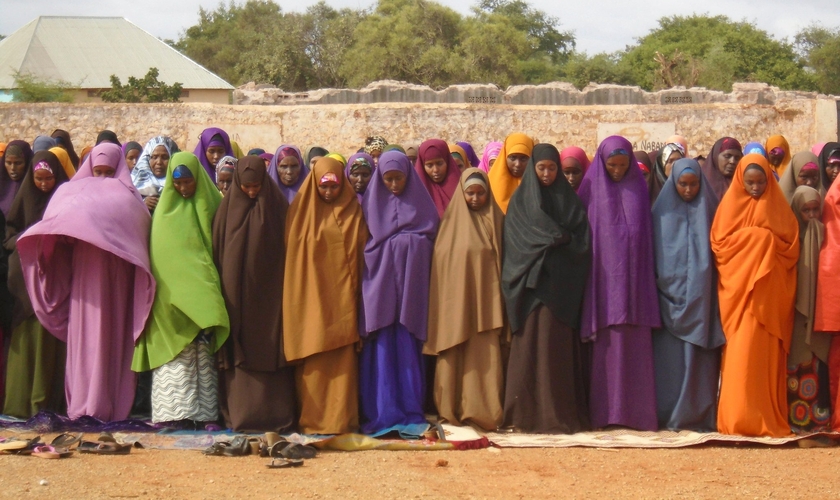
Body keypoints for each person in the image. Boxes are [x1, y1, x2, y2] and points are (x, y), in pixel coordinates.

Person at [16, 142, 155, 421]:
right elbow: (58, 229)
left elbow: (140, 233)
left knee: (113, 340)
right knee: (85, 341)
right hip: (84, 279)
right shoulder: (70, 194)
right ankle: (82, 404)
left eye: (108, 171)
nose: (102, 177)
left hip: (117, 281)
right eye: (97, 170)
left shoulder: (129, 198)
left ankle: (112, 404)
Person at [132, 152, 229, 424]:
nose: (184, 188)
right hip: (171, 303)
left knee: (203, 358)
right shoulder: (163, 215)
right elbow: (162, 259)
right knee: (177, 357)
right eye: (178, 183)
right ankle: (176, 415)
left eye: (189, 182)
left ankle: (206, 414)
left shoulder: (214, 206)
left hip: (205, 297)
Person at [502, 144, 592, 433]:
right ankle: (524, 415)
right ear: (533, 169)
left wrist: (561, 244)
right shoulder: (520, 204)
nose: (547, 173)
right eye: (541, 167)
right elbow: (515, 246)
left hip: (560, 290)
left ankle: (558, 415)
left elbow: (582, 244)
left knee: (555, 354)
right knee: (529, 350)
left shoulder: (571, 203)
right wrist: (549, 242)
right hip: (531, 290)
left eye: (552, 168)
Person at [711, 154, 799, 437]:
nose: (756, 187)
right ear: (741, 180)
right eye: (750, 182)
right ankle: (736, 419)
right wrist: (759, 240)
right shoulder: (728, 208)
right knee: (740, 361)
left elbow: (791, 248)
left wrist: (763, 240)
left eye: (761, 181)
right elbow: (720, 247)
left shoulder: (778, 208)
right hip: (739, 301)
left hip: (768, 300)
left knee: (763, 363)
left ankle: (765, 418)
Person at [577, 135, 660, 431]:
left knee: (634, 351)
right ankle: (605, 414)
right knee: (607, 352)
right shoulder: (590, 191)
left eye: (623, 165)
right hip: (603, 287)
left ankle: (636, 415)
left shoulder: (638, 190)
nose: (617, 170)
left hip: (635, 287)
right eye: (612, 164)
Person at [283, 157, 368, 434]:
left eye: (333, 187)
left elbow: (361, 256)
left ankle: (342, 421)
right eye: (323, 187)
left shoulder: (354, 211)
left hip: (344, 304)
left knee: (342, 367)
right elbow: (294, 262)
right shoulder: (300, 214)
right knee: (315, 363)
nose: (329, 193)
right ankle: (314, 421)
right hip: (312, 302)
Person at [212, 156, 296, 432]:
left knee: (271, 350)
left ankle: (277, 415)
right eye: (246, 187)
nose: (251, 191)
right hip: (236, 300)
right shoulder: (226, 212)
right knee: (240, 352)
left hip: (271, 299)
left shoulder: (277, 208)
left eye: (256, 186)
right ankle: (242, 414)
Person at [360, 150, 439, 436]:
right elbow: (364, 245)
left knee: (407, 354)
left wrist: (408, 245)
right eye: (388, 179)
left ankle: (409, 410)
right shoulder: (368, 208)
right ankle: (382, 411)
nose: (394, 185)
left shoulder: (423, 209)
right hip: (379, 294)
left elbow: (429, 241)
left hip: (410, 298)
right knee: (380, 355)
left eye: (399, 179)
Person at [425, 167, 505, 431]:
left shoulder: (498, 221)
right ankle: (450, 409)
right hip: (455, 308)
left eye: (481, 193)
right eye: (469, 193)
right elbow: (441, 270)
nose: (475, 199)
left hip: (487, 306)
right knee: (454, 357)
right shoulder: (448, 228)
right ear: (461, 194)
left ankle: (482, 411)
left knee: (484, 360)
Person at [651, 158, 724, 431]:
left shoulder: (712, 210)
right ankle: (667, 414)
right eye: (683, 184)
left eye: (694, 184)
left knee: (698, 360)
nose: (689, 190)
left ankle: (697, 415)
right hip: (667, 299)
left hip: (703, 300)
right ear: (673, 183)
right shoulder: (660, 214)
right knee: (671, 364)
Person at [3, 150, 70, 417]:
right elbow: (8, 237)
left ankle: (46, 405)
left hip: (54, 283)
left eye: (48, 179)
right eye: (38, 179)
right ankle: (20, 405)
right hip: (24, 288)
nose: (43, 184)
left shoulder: (65, 199)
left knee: (49, 345)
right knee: (26, 343)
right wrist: (31, 236)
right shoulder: (23, 202)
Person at [787, 186, 830, 433]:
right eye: (806, 211)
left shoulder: (828, 240)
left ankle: (818, 424)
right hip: (795, 318)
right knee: (797, 367)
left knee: (818, 368)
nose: (812, 216)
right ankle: (797, 423)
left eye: (816, 210)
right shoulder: (789, 238)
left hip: (819, 319)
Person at [488, 133, 535, 213]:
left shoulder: (536, 184)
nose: (517, 164)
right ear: (505, 156)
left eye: (524, 159)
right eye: (513, 158)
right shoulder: (489, 183)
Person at [415, 139, 461, 219]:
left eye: (440, 163)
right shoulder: (416, 193)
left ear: (447, 161)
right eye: (429, 165)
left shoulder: (461, 189)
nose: (435, 170)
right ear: (422, 166)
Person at [132, 136, 179, 212]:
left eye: (165, 157)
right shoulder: (133, 187)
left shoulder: (181, 185)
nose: (159, 162)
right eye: (154, 157)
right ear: (147, 159)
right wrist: (142, 203)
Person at [701, 137, 743, 202]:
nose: (732, 161)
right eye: (727, 156)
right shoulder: (701, 184)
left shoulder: (744, 185)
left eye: (737, 158)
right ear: (716, 156)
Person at [0, 141, 34, 217]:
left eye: (18, 163)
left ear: (28, 162)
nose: (13, 168)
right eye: (8, 163)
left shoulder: (36, 187)